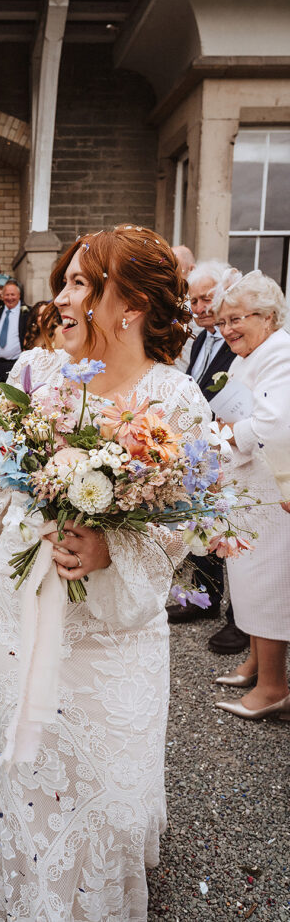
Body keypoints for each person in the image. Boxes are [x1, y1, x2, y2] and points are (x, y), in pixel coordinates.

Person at [0, 225, 209, 921]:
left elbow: (182, 522)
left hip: (115, 630)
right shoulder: (33, 374)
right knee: (34, 762)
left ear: (128, 304)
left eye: (80, 284)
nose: (62, 299)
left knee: (114, 785)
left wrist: (111, 549)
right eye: (65, 283)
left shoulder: (175, 399)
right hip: (25, 606)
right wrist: (20, 526)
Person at [211, 271, 290, 721]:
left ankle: (275, 687)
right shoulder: (251, 354)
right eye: (221, 322)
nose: (226, 330)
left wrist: (225, 434)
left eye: (235, 319)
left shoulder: (280, 354)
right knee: (249, 583)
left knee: (268, 584)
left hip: (270, 492)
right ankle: (258, 665)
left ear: (267, 316)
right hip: (248, 491)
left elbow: (273, 425)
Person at [168, 262, 250, 654]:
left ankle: (242, 621)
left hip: (238, 446)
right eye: (194, 300)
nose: (199, 307)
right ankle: (204, 597)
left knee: (238, 532)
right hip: (205, 447)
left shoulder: (239, 342)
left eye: (206, 298)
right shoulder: (203, 339)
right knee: (205, 522)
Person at [0, 279, 29, 381]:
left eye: (13, 294)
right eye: (7, 295)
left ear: (19, 295)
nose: (10, 298)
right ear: (2, 296)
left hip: (17, 364)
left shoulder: (27, 313)